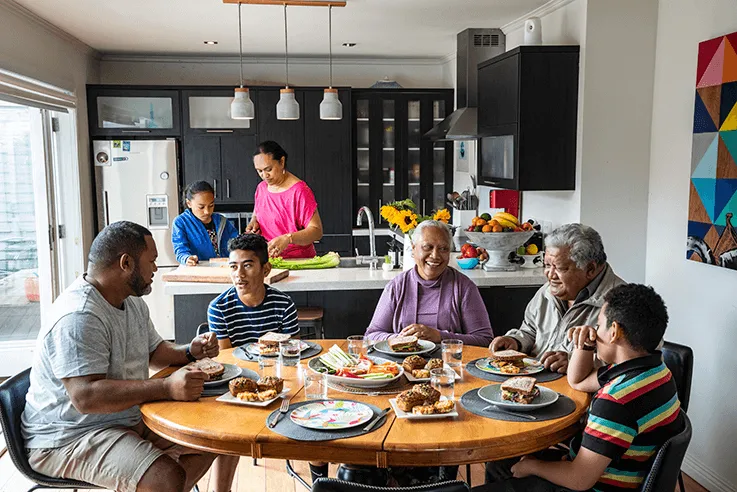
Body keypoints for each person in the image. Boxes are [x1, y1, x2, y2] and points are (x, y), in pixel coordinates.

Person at [21, 221, 219, 492]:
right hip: (67, 436)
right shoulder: (80, 316)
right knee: (164, 478)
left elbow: (154, 352)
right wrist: (165, 387)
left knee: (212, 438)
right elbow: (86, 396)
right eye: (152, 261)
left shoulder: (131, 299)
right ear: (126, 263)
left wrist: (188, 351)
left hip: (119, 419)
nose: (155, 269)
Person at [473, 284, 684, 492]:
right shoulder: (654, 372)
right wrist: (584, 345)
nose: (594, 331)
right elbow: (579, 382)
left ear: (614, 332)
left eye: (599, 325)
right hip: (608, 468)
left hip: (592, 484)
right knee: (501, 463)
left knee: (507, 469)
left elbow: (579, 479)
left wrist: (533, 466)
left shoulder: (616, 400)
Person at [206, 233, 300, 491]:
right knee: (228, 434)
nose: (239, 274)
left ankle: (319, 480)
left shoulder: (284, 304)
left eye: (247, 265)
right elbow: (226, 360)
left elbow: (293, 355)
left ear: (265, 268)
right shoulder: (219, 307)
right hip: (238, 385)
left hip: (280, 382)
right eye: (233, 266)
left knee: (309, 418)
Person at [490, 223, 625, 374]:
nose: (550, 274)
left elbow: (627, 364)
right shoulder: (547, 291)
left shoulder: (622, 304)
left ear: (590, 269)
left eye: (560, 268)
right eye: (547, 265)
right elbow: (530, 330)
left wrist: (576, 362)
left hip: (581, 393)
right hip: (538, 381)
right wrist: (515, 342)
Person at [365, 220, 493, 346]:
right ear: (413, 249)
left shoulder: (464, 287)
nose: (435, 255)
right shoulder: (396, 287)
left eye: (443, 248)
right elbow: (370, 336)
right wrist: (400, 339)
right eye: (427, 247)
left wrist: (440, 336)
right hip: (400, 365)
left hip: (450, 364)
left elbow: (484, 340)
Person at [246, 141, 323, 258]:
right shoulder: (261, 188)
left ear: (282, 162)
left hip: (297, 261)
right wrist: (254, 221)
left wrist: (288, 238)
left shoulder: (300, 191)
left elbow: (316, 231)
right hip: (268, 259)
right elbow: (257, 212)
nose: (264, 175)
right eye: (260, 171)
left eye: (269, 169)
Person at [172, 180, 239, 265]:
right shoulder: (181, 223)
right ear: (189, 203)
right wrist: (186, 258)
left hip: (223, 268)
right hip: (198, 269)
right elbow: (180, 249)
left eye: (211, 205)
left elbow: (236, 243)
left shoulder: (222, 221)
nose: (207, 211)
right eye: (201, 207)